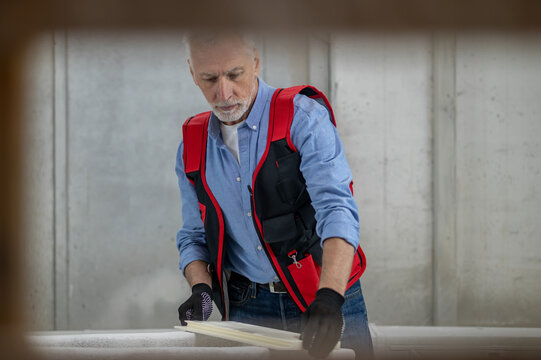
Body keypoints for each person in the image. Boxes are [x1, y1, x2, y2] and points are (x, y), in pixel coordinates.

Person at [175, 33, 372, 359]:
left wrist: (330, 296)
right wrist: (202, 289)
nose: (223, 93)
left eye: (234, 74)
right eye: (209, 78)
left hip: (323, 294)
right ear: (192, 73)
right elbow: (194, 235)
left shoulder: (303, 117)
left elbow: (336, 208)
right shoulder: (192, 145)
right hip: (248, 306)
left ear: (255, 61)